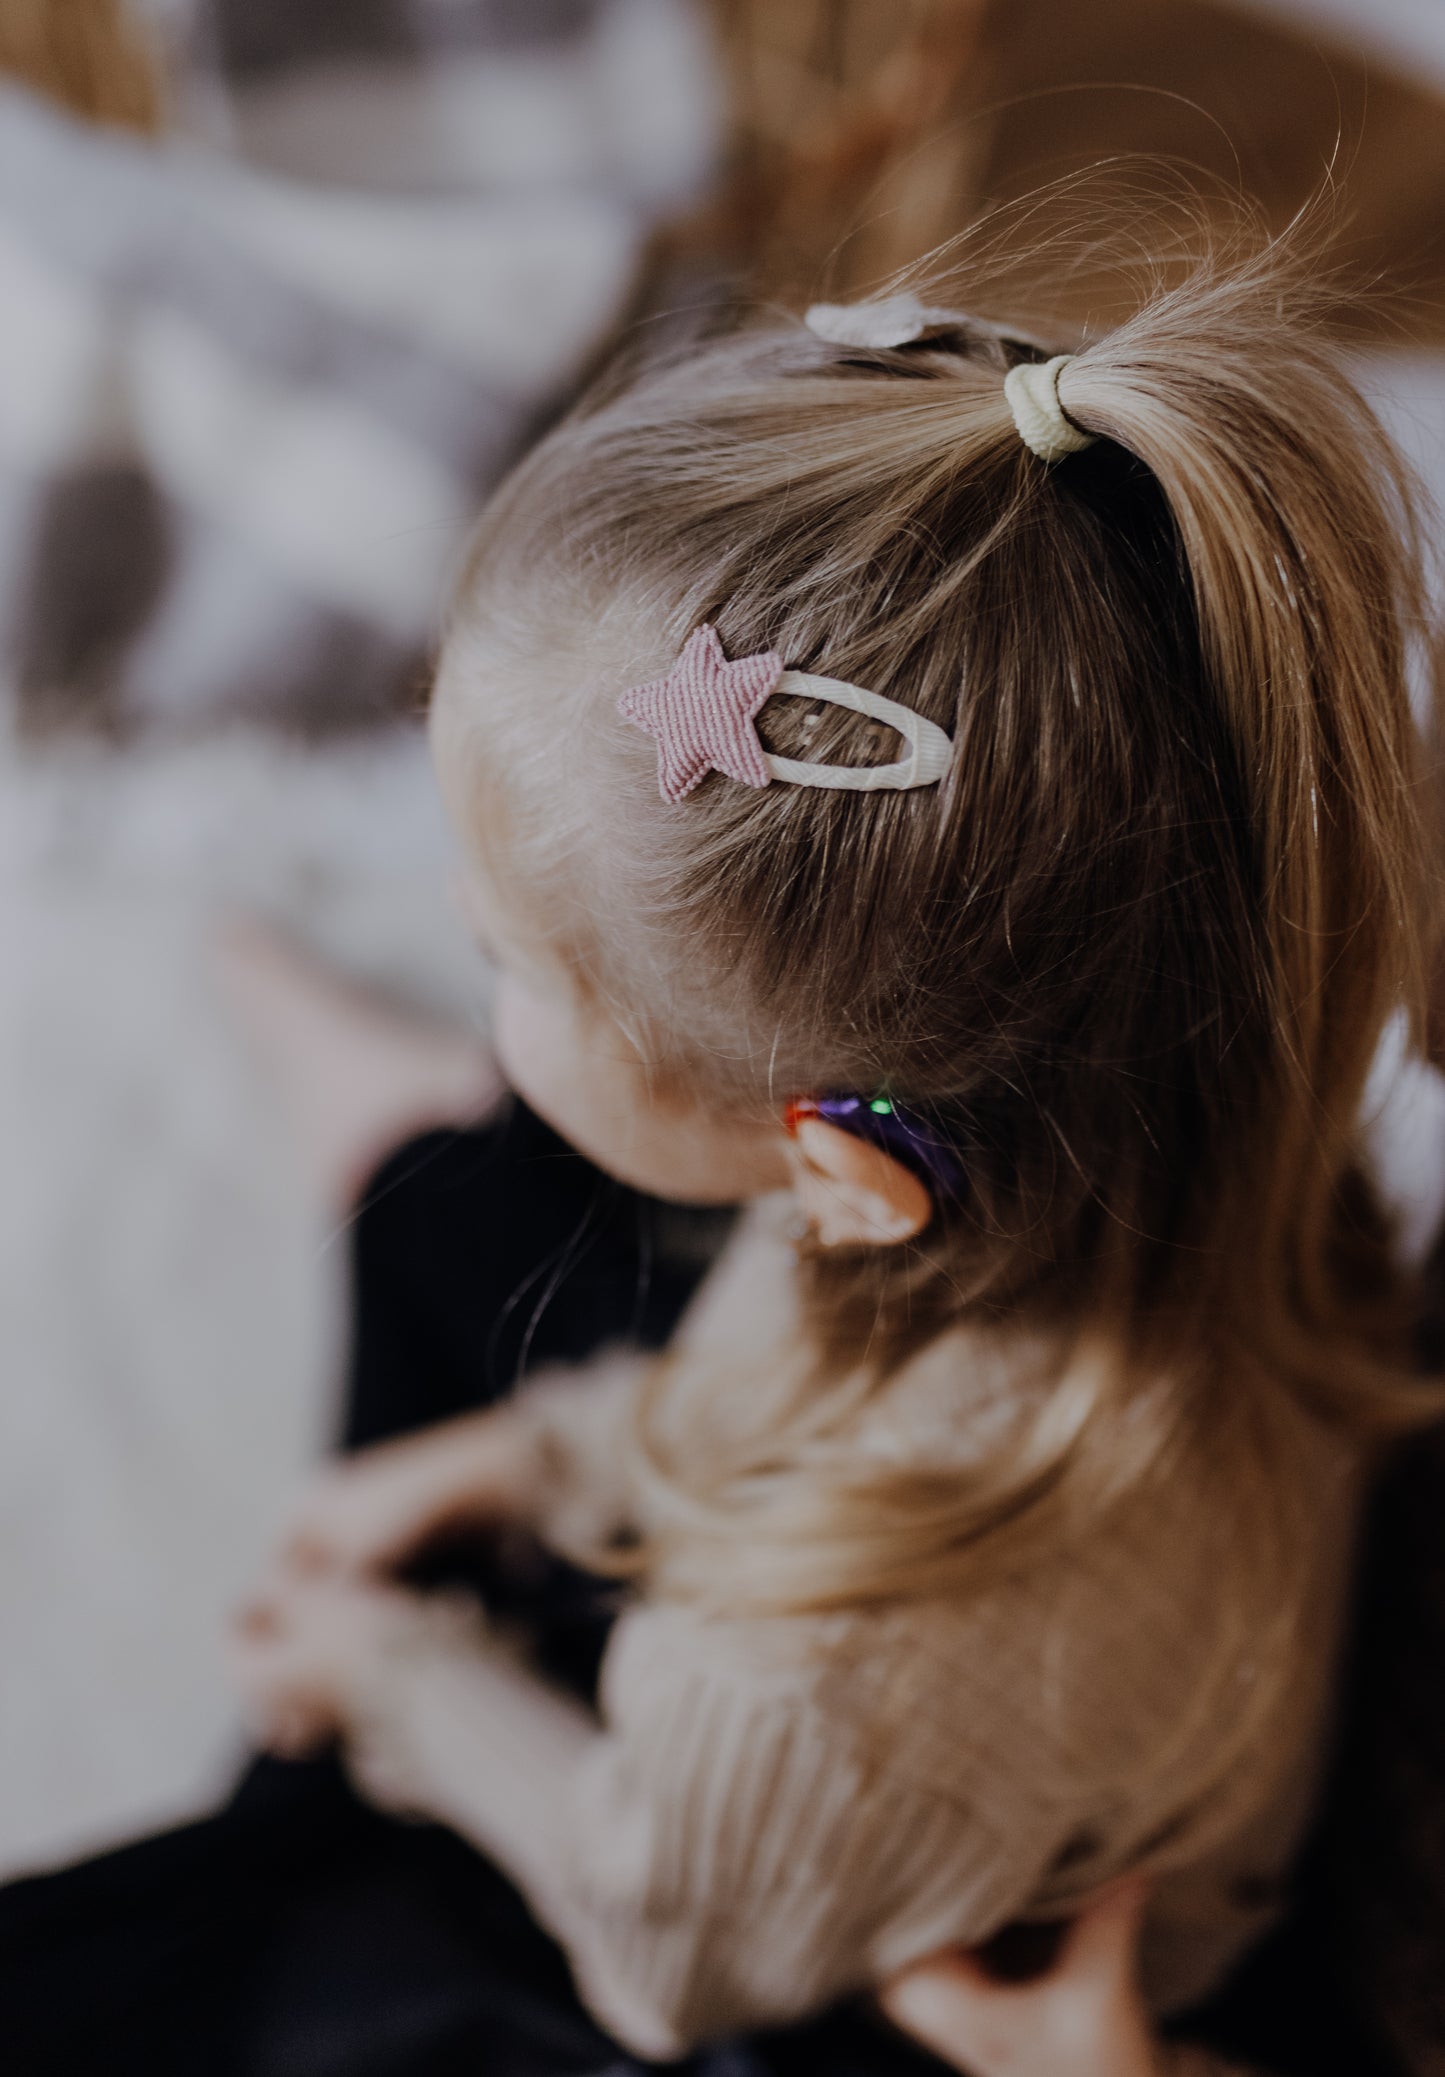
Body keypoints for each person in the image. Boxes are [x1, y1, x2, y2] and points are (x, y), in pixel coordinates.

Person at [226, 244, 1445, 2067]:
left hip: (864, 1942)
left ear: (843, 1182)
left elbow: (658, 1941)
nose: (495, 982)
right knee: (468, 1206)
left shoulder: (803, 1690)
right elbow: (760, 1374)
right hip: (987, 1584)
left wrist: (395, 1676)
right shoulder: (1199, 1112)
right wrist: (527, 1458)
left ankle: (393, 1138)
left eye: (503, 961)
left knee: (242, 1948)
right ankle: (400, 1138)